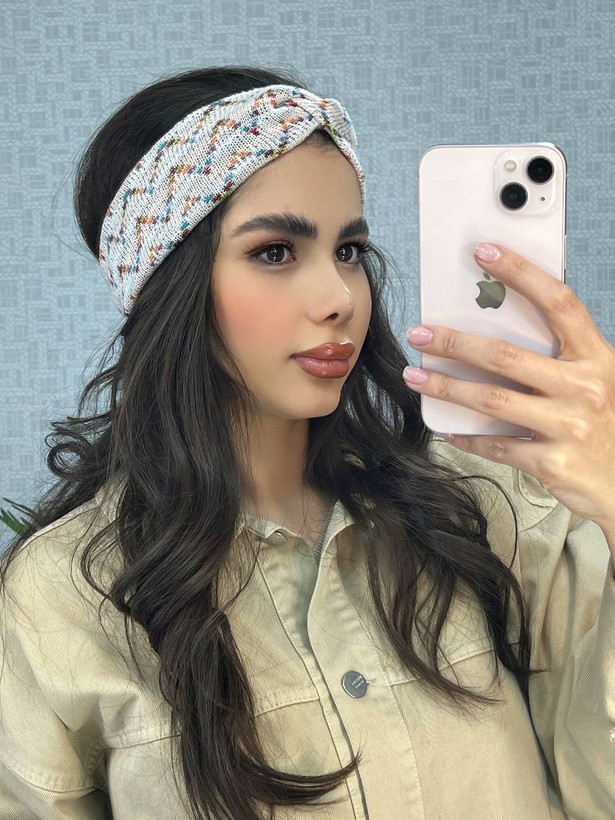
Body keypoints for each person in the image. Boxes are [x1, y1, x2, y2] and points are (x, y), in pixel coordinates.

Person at [0, 65, 613, 820]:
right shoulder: (58, 599)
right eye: (275, 252)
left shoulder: (487, 508)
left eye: (348, 251)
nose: (338, 298)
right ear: (166, 284)